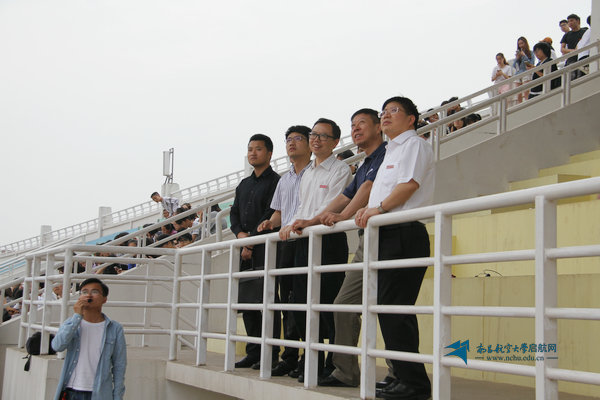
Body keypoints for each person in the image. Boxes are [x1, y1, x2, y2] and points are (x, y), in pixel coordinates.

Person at [355, 96, 434, 400]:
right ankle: (401, 375)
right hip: (387, 233)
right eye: (384, 111)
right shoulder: (392, 150)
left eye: (394, 111)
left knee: (394, 308)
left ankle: (414, 383)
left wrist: (379, 208)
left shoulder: (414, 145)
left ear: (411, 119)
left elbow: (409, 184)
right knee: (388, 308)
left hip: (404, 232)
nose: (386, 116)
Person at [315, 108, 387, 388]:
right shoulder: (366, 161)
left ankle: (401, 374)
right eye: (353, 125)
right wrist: (313, 220)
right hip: (366, 239)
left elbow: (367, 189)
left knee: (390, 309)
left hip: (390, 236)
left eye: (362, 124)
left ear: (378, 127)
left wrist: (341, 216)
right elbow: (346, 196)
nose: (355, 129)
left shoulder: (387, 155)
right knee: (344, 304)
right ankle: (345, 371)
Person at [280, 118, 352, 382]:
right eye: (313, 135)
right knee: (301, 302)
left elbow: (334, 205)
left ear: (335, 142)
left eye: (323, 136)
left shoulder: (340, 169)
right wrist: (290, 224)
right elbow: (302, 206)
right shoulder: (308, 172)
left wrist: (308, 221)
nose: (316, 140)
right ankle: (312, 359)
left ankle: (331, 364)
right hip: (305, 240)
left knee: (327, 303)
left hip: (329, 241)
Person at [257, 125, 313, 377]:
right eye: (288, 139)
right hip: (285, 243)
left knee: (304, 300)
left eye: (298, 138)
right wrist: (270, 223)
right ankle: (289, 355)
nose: (292, 143)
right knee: (285, 299)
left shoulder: (314, 173)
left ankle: (307, 355)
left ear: (310, 143)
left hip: (306, 239)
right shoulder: (284, 179)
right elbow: (279, 212)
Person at [230, 134, 281, 370]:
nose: (253, 153)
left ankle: (270, 353)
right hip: (245, 247)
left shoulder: (276, 182)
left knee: (267, 300)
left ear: (269, 153)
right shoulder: (244, 184)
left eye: (258, 149)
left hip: (266, 248)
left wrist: (250, 242)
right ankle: (254, 351)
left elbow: (271, 213)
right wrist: (240, 235)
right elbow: (234, 213)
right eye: (250, 149)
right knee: (248, 301)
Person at [52, 278, 126, 400]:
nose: (89, 295)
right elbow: (57, 346)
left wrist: (117, 396)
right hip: (71, 391)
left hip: (99, 393)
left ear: (104, 299)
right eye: (84, 292)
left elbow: (119, 366)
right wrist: (77, 316)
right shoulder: (71, 323)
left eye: (95, 291)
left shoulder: (114, 328)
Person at [513, 37, 534, 103]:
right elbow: (514, 66)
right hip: (518, 74)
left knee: (526, 91)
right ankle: (520, 105)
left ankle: (527, 104)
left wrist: (524, 56)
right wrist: (517, 58)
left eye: (522, 43)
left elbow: (531, 63)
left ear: (525, 43)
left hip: (526, 73)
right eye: (519, 44)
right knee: (518, 93)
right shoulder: (518, 54)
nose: (521, 45)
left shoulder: (531, 53)